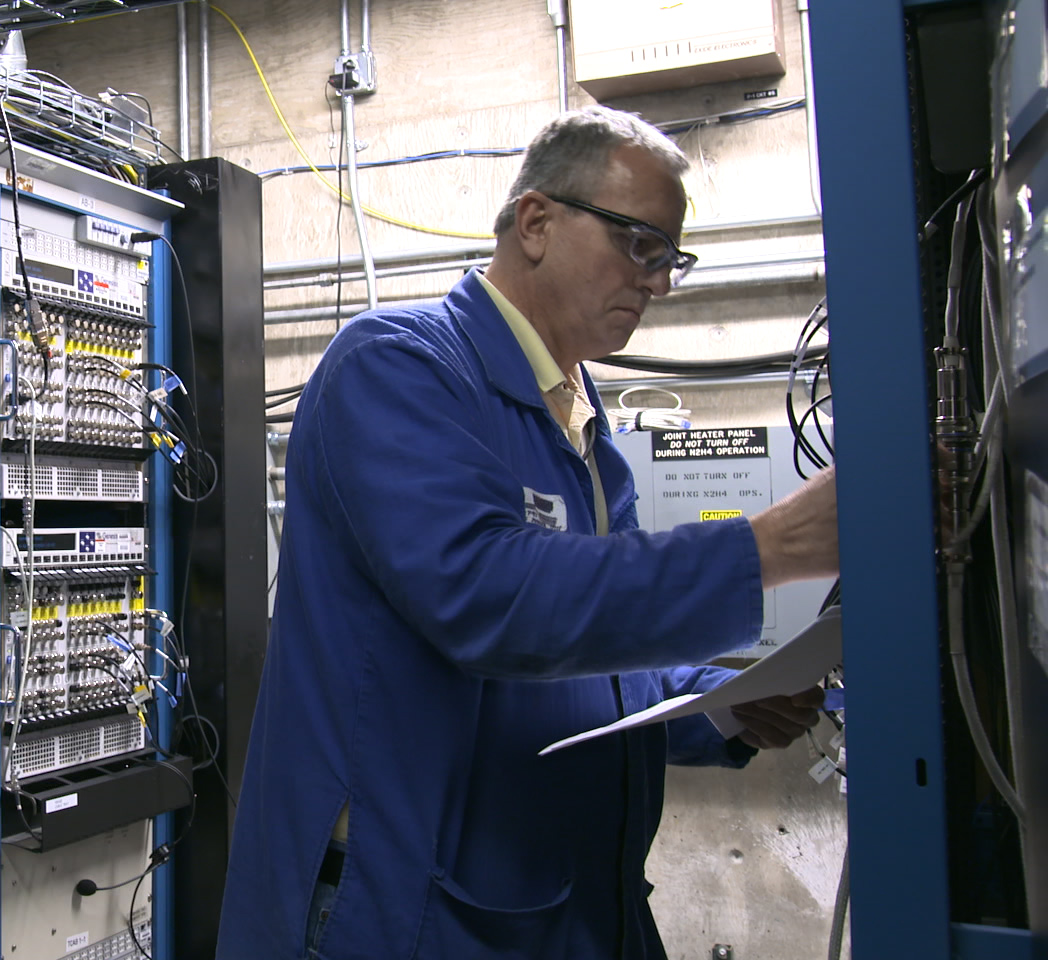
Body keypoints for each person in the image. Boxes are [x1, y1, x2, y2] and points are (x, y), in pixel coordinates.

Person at [217, 106, 840, 960]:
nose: (657, 281)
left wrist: (726, 707)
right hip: (409, 904)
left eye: (671, 258)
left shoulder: (583, 429)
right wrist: (768, 548)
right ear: (538, 222)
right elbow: (490, 599)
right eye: (639, 244)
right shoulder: (399, 368)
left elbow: (592, 662)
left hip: (561, 894)